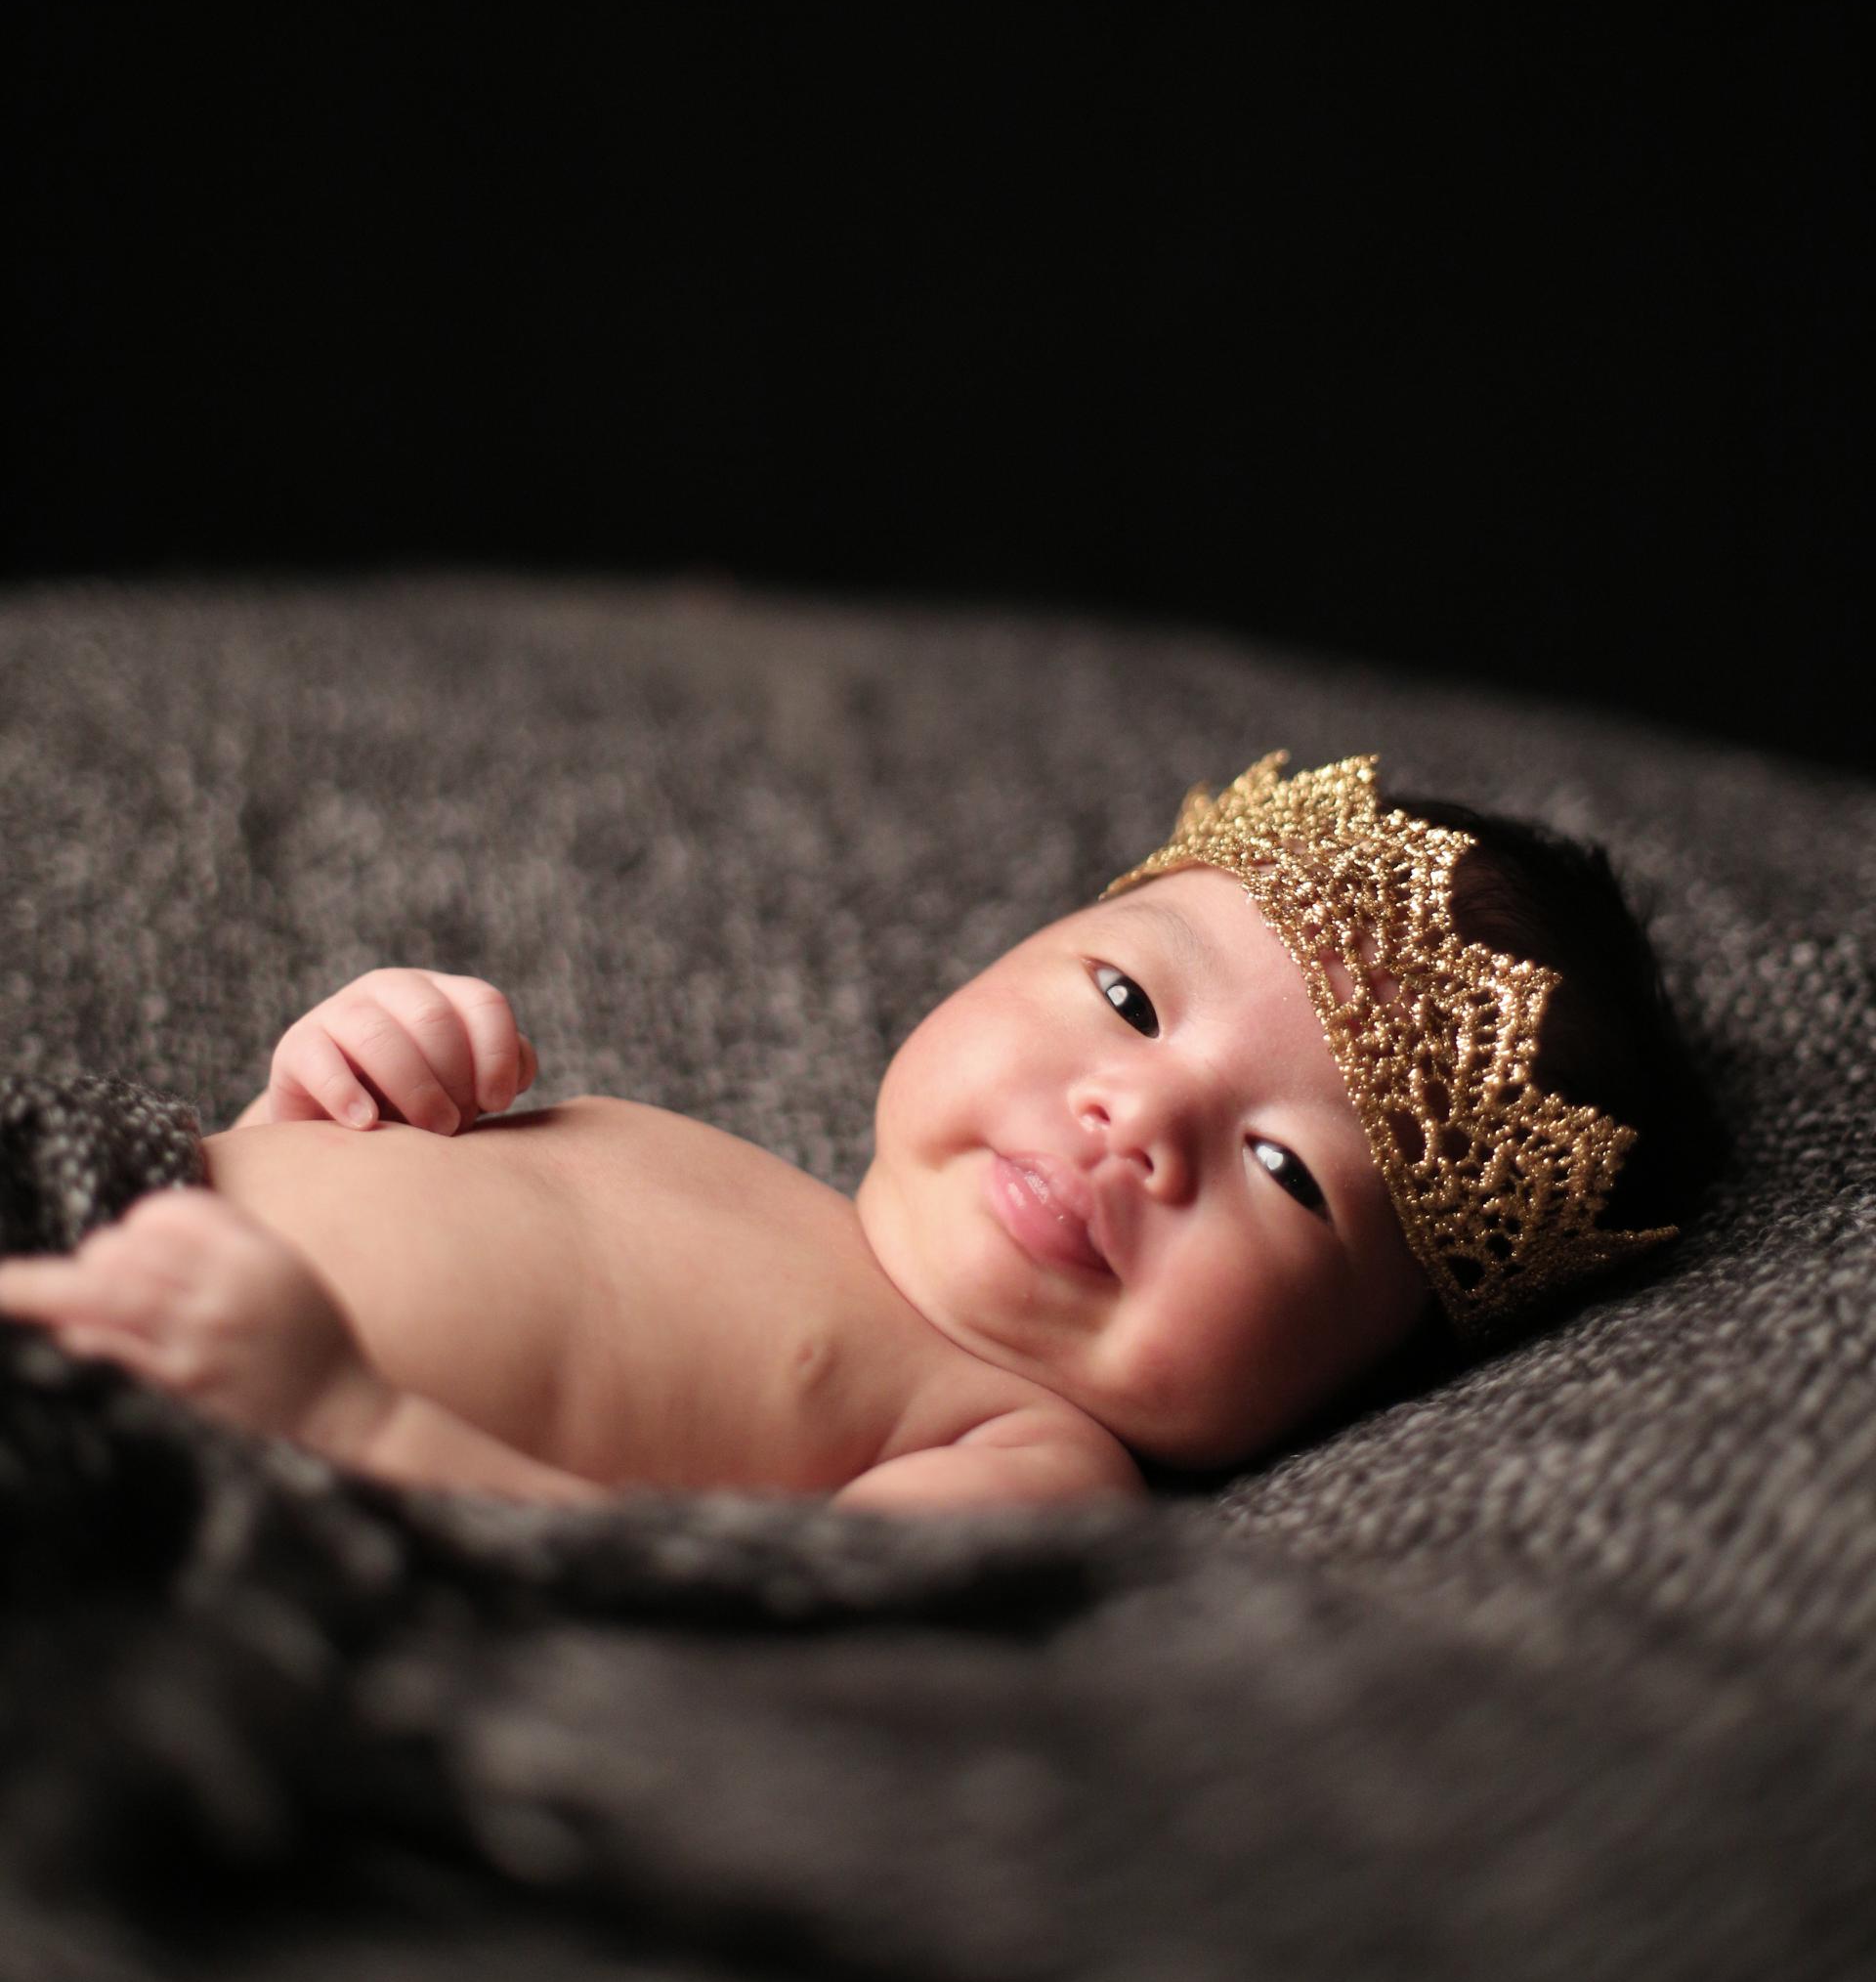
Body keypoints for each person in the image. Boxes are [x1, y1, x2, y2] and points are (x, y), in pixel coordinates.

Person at [0, 754, 1723, 1518]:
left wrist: (344, 1415)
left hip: (172, 1471)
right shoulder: (700, 1155)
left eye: (1288, 1177)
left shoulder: (1025, 1465)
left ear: (1359, 1381)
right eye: (1127, 1001)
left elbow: (717, 1612)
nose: (1141, 1122)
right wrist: (324, 1102)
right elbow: (291, 1217)